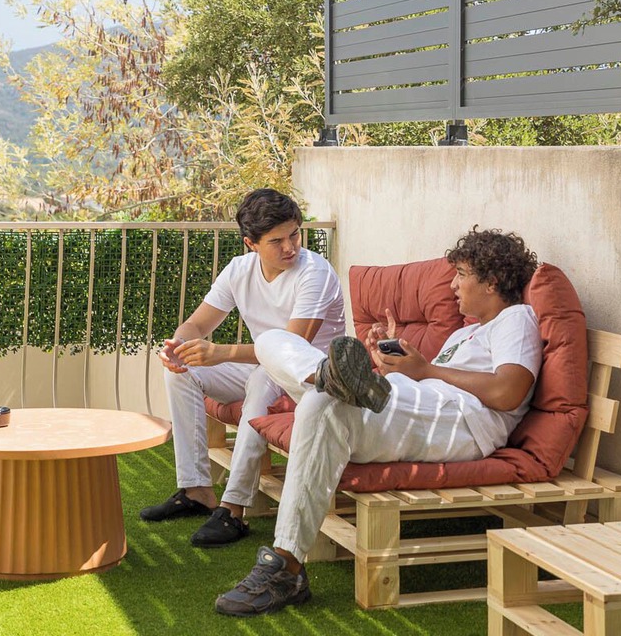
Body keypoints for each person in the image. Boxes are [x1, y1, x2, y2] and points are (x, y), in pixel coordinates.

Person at [214, 227, 543, 616]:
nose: (453, 285)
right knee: (277, 348)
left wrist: (425, 371)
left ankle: (284, 566)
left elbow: (510, 391)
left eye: (461, 275)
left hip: (459, 424)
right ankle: (330, 377)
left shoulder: (516, 319)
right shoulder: (468, 334)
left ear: (491, 283)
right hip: (418, 411)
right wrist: (388, 366)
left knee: (320, 401)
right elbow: (424, 382)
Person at [140, 188, 346, 548]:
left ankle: (233, 508)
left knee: (262, 382)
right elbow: (197, 325)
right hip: (264, 368)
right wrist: (178, 347)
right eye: (276, 241)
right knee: (182, 371)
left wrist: (221, 352)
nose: (290, 247)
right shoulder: (239, 270)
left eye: (295, 234)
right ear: (251, 243)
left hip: (311, 377)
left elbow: (291, 349)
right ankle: (196, 490)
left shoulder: (315, 273)